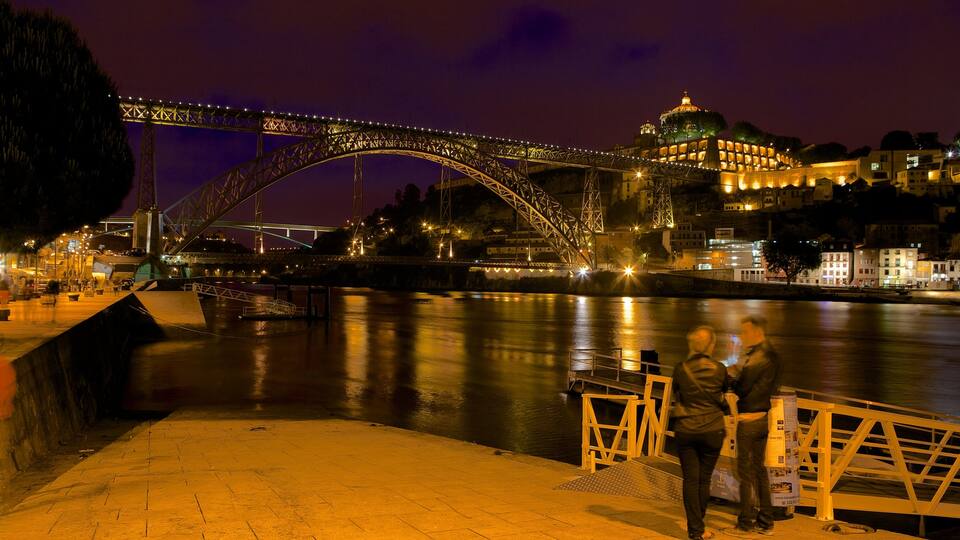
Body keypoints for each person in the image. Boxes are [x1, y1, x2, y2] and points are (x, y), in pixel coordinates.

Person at [673, 325, 727, 540]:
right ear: (712, 345)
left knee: (690, 480)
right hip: (712, 429)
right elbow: (722, 395)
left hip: (686, 428)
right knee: (704, 480)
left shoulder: (681, 368)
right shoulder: (719, 369)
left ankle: (695, 529)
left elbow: (677, 394)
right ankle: (699, 525)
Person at [730, 315, 782, 535]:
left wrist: (732, 374)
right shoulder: (773, 356)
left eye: (745, 332)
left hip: (748, 419)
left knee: (745, 473)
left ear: (756, 332)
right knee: (760, 470)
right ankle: (766, 520)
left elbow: (741, 387)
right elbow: (774, 387)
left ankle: (746, 520)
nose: (742, 337)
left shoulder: (757, 357)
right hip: (763, 419)